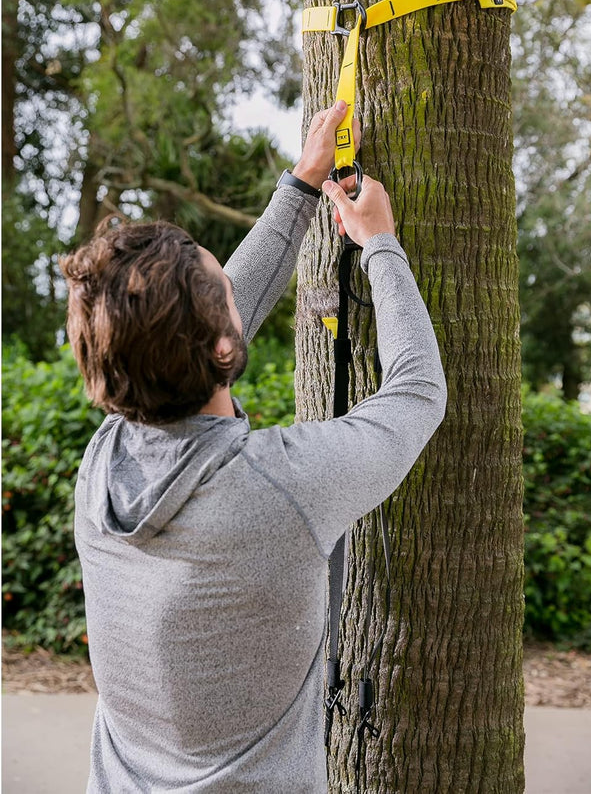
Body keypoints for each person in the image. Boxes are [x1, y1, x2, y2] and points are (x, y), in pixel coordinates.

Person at [61, 99, 447, 793]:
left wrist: (301, 186)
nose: (234, 292)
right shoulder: (282, 487)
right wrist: (382, 243)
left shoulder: (101, 468)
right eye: (222, 291)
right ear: (219, 343)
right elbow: (418, 393)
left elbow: (202, 319)